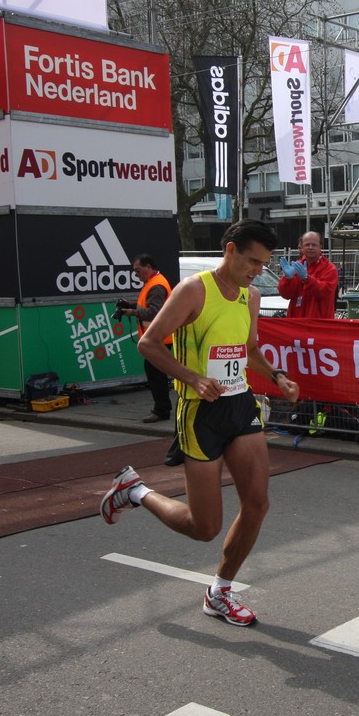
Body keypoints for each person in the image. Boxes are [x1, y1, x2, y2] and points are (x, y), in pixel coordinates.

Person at [100, 220, 301, 627]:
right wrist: (192, 378)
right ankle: (135, 491)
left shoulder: (251, 296)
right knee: (204, 527)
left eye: (263, 264)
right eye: (252, 261)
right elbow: (148, 344)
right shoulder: (193, 291)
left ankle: (220, 593)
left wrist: (277, 376)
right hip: (199, 412)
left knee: (258, 504)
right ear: (230, 250)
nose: (257, 271)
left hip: (240, 405)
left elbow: (249, 348)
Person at [116, 254, 173, 424]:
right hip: (158, 337)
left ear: (148, 266)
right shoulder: (153, 282)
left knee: (156, 374)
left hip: (159, 338)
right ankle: (162, 408)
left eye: (138, 270)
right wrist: (131, 305)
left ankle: (161, 410)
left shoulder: (156, 285)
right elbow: (147, 306)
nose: (136, 274)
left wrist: (132, 312)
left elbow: (154, 312)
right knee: (155, 373)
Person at [277, 231, 338, 319]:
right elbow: (286, 295)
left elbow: (323, 292)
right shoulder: (296, 267)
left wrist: (307, 279)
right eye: (307, 245)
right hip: (296, 322)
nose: (310, 247)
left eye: (314, 245)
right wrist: (288, 279)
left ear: (320, 246)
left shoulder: (329, 268)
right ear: (302, 247)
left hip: (319, 323)